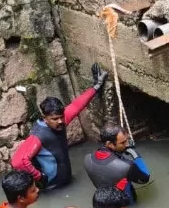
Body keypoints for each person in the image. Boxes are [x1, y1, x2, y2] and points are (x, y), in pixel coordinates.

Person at [11, 63, 109, 191]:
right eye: (55, 119)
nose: (60, 121)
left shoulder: (59, 121)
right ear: (45, 118)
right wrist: (38, 176)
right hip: (52, 187)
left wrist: (96, 86)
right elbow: (18, 162)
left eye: (61, 116)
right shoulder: (38, 136)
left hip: (66, 181)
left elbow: (76, 105)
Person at [84, 123, 151, 203]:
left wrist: (120, 151)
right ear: (109, 144)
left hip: (103, 201)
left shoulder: (87, 159)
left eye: (127, 140)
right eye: (123, 143)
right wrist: (135, 155)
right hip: (126, 205)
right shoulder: (127, 166)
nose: (126, 144)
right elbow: (145, 178)